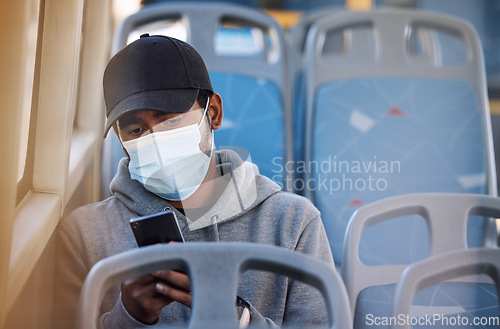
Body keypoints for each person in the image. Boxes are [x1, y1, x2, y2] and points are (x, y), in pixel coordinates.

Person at [54, 34, 334, 329]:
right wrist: (128, 317)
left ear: (213, 113)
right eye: (136, 130)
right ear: (120, 141)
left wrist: (235, 318)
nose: (156, 140)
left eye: (171, 121)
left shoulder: (293, 224)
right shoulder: (83, 237)